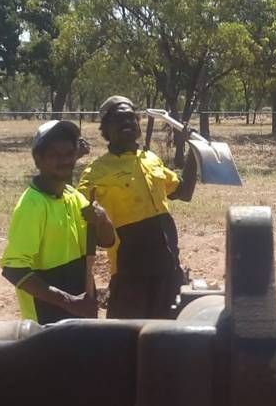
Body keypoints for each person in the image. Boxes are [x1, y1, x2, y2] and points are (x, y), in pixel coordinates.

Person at [0, 119, 115, 406]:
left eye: (69, 153)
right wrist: (70, 303)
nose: (64, 161)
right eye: (55, 155)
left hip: (75, 323)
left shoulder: (72, 197)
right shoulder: (31, 205)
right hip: (48, 325)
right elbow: (15, 270)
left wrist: (99, 218)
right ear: (39, 159)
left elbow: (107, 241)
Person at [79, 95, 197, 320]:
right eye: (118, 119)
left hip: (168, 267)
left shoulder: (151, 159)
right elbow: (78, 216)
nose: (127, 124)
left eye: (131, 119)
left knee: (169, 335)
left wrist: (194, 151)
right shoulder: (96, 172)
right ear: (105, 129)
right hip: (129, 272)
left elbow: (184, 192)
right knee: (126, 339)